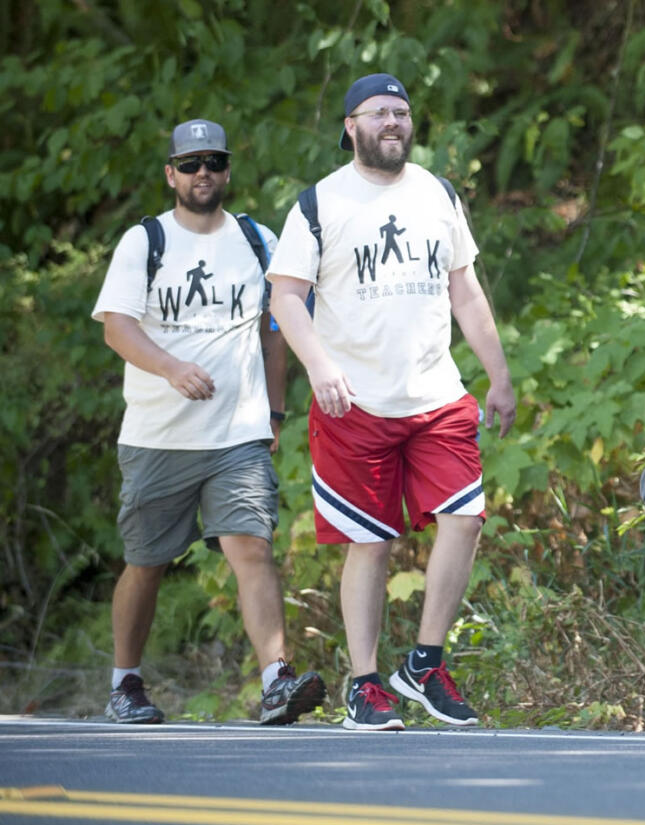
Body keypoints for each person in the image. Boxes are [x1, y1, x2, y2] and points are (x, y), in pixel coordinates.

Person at [267, 73, 516, 732]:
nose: (392, 123)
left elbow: (465, 290)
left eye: (401, 113)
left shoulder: (438, 193)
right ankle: (365, 682)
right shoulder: (319, 203)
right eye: (378, 113)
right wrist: (319, 366)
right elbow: (286, 295)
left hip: (436, 394)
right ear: (350, 125)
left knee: (465, 518)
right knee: (370, 543)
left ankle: (425, 665)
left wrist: (499, 373)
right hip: (357, 404)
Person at [93, 118, 327, 725]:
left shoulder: (258, 240)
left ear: (227, 171)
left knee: (252, 545)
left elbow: (276, 331)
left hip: (237, 433)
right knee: (147, 562)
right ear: (171, 173)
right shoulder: (144, 241)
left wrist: (274, 411)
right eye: (191, 164)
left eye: (214, 162)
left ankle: (275, 681)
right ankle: (125, 684)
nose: (204, 174)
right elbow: (117, 326)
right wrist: (171, 368)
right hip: (157, 436)